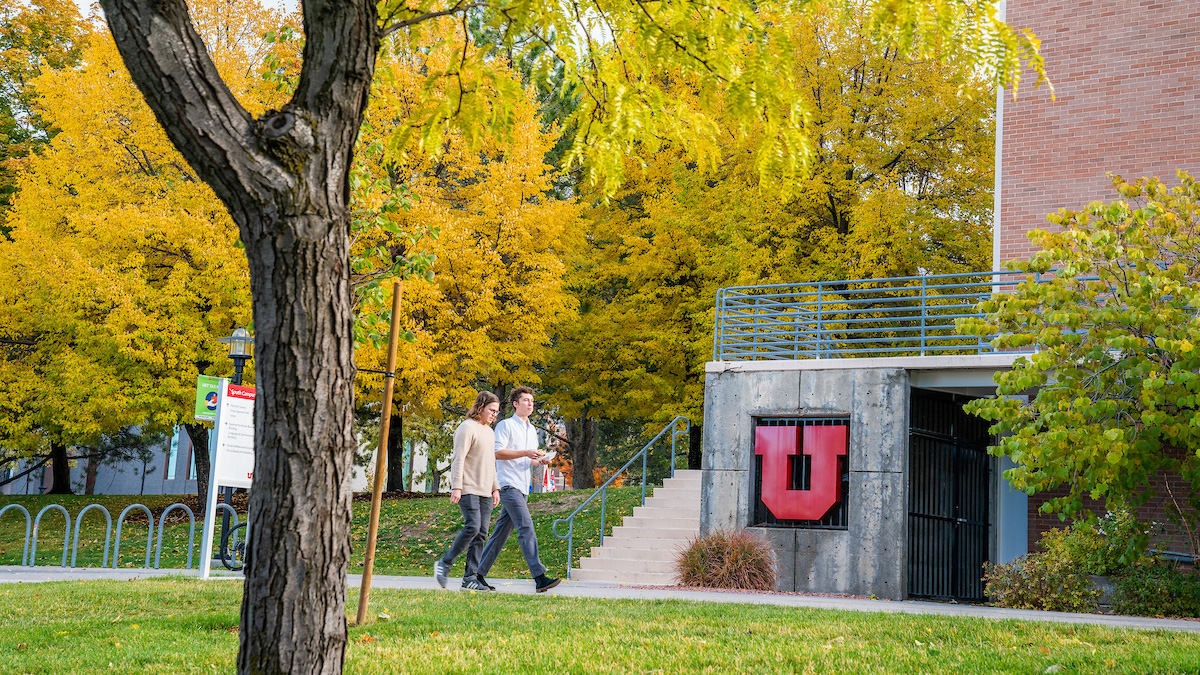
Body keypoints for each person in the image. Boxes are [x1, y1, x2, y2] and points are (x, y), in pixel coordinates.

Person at [477, 386, 562, 593]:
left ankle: (476, 575)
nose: (530, 404)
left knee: (500, 534)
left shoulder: (531, 430)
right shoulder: (505, 425)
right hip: (507, 484)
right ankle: (540, 577)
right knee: (526, 527)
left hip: (523, 487)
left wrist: (540, 461)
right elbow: (496, 453)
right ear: (515, 404)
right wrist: (526, 452)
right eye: (526, 400)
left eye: (532, 401)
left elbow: (528, 459)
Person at [433, 391, 501, 591]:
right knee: (473, 526)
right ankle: (444, 563)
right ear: (480, 407)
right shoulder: (466, 428)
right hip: (468, 487)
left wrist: (495, 488)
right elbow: (458, 458)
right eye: (491, 410)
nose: (493, 415)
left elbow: (490, 463)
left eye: (496, 412)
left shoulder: (489, 432)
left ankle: (469, 578)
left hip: (485, 490)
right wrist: (456, 486)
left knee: (481, 534)